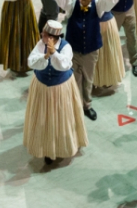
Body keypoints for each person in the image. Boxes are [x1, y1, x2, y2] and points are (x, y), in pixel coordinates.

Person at [51, 0, 125, 121]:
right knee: (75, 79)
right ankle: (76, 106)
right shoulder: (72, 4)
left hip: (91, 51)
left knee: (88, 80)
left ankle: (87, 105)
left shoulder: (98, 5)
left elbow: (109, 1)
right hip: (73, 51)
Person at [24, 20, 90, 164]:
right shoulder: (40, 44)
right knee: (43, 118)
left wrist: (54, 53)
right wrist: (45, 56)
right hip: (42, 87)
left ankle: (63, 145)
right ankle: (46, 148)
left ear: (52, 37)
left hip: (60, 88)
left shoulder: (66, 47)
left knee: (62, 117)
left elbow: (64, 65)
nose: (41, 35)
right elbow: (31, 62)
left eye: (44, 34)